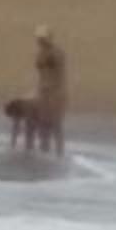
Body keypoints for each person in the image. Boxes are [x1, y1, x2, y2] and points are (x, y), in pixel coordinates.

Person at [33, 24, 68, 158]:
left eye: (43, 38)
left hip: (56, 93)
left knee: (55, 124)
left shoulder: (57, 53)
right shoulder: (40, 54)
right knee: (43, 124)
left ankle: (60, 154)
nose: (40, 41)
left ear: (49, 38)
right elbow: (41, 73)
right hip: (44, 92)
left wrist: (55, 91)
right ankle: (44, 152)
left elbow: (59, 74)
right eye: (39, 39)